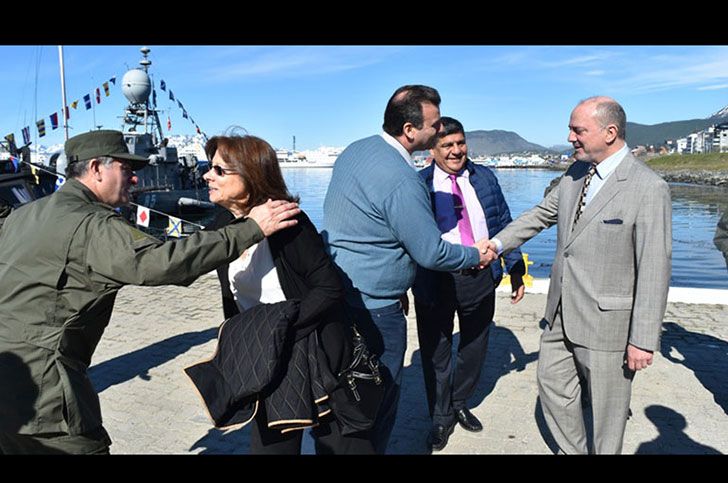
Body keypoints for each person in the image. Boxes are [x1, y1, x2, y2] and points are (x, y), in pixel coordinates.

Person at [0, 129, 300, 455]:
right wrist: (250, 229)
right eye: (126, 171)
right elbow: (162, 263)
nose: (134, 181)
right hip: (47, 396)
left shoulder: (24, 215)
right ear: (97, 169)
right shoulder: (91, 226)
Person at [488, 97, 672, 454]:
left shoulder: (648, 188)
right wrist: (495, 245)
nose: (569, 137)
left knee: (608, 416)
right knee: (552, 386)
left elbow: (654, 267)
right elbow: (538, 216)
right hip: (560, 314)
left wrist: (643, 339)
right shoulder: (574, 175)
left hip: (609, 325)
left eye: (578, 130)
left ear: (610, 132)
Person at [322, 85, 496, 453]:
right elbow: (430, 252)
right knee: (377, 398)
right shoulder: (402, 179)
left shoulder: (358, 150)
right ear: (410, 130)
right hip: (377, 309)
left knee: (345, 394)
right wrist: (474, 256)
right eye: (433, 126)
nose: (439, 131)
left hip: (342, 291)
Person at [204, 133, 374, 454]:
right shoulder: (220, 228)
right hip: (265, 357)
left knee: (341, 444)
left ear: (250, 175)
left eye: (219, 170)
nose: (206, 175)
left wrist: (281, 328)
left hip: (316, 351)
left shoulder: (288, 221)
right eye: (209, 167)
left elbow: (328, 288)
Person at [411, 117, 526, 451]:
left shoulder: (485, 178)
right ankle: (439, 416)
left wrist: (514, 265)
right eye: (447, 145)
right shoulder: (419, 185)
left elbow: (504, 224)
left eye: (460, 143)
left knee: (474, 346)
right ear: (431, 149)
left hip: (479, 277)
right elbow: (406, 236)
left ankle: (459, 401)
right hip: (435, 279)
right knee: (436, 351)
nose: (456, 151)